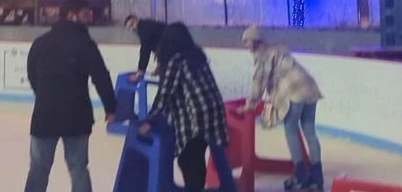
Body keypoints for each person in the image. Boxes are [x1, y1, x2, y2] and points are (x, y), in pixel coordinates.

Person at [25, 0, 118, 192]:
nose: (89, 17)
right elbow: (101, 76)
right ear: (71, 15)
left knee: (38, 170)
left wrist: (44, 96)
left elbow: (32, 75)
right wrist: (111, 108)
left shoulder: (40, 43)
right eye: (85, 13)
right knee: (78, 169)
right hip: (77, 116)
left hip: (45, 114)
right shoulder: (85, 43)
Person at [138, 22, 228, 192]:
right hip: (214, 113)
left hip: (196, 117)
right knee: (195, 157)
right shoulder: (197, 56)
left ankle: (194, 188)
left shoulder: (176, 61)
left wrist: (150, 120)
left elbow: (164, 94)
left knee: (188, 160)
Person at [237, 25, 325, 191]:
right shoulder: (278, 50)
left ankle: (301, 176)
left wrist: (250, 104)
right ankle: (317, 179)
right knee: (310, 132)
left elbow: (258, 83)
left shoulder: (263, 55)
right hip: (310, 88)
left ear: (255, 41)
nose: (245, 45)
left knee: (290, 130)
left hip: (293, 91)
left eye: (246, 41)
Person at [124, 14, 167, 81]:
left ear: (136, 19)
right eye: (130, 28)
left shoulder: (143, 28)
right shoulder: (148, 25)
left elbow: (145, 50)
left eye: (132, 24)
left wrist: (141, 70)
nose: (132, 28)